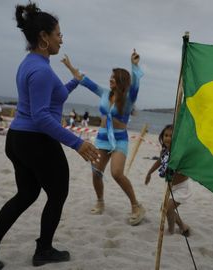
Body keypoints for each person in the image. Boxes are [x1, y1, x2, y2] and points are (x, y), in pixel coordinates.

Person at [0, 3, 100, 270]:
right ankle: (44, 251)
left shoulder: (32, 64)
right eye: (58, 34)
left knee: (26, 194)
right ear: (43, 37)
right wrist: (77, 143)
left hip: (18, 139)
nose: (62, 39)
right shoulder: (40, 70)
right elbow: (41, 116)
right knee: (58, 192)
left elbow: (52, 98)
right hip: (36, 140)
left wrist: (75, 80)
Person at [61, 50, 146, 225]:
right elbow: (85, 82)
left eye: (114, 77)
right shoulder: (104, 93)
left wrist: (134, 65)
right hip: (101, 138)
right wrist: (70, 67)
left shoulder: (129, 99)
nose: (110, 79)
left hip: (119, 139)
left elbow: (136, 85)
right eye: (110, 77)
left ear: (121, 81)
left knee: (116, 173)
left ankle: (136, 205)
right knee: (96, 173)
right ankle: (100, 202)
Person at [145, 124, 191, 236]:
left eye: (171, 136)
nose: (168, 138)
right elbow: (159, 161)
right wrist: (149, 172)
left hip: (182, 187)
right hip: (170, 187)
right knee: (165, 209)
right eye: (166, 135)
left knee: (168, 208)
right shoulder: (164, 152)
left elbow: (186, 168)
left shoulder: (179, 153)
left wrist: (177, 170)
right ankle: (181, 227)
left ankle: (172, 230)